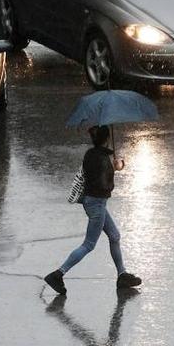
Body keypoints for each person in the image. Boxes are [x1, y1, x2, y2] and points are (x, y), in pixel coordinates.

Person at [44, 125, 141, 295]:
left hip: (94, 203)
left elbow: (94, 175)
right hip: (97, 204)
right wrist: (116, 167)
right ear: (106, 139)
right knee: (89, 244)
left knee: (114, 236)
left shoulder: (90, 154)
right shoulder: (104, 159)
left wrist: (114, 165)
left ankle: (122, 275)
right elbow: (104, 185)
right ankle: (58, 274)